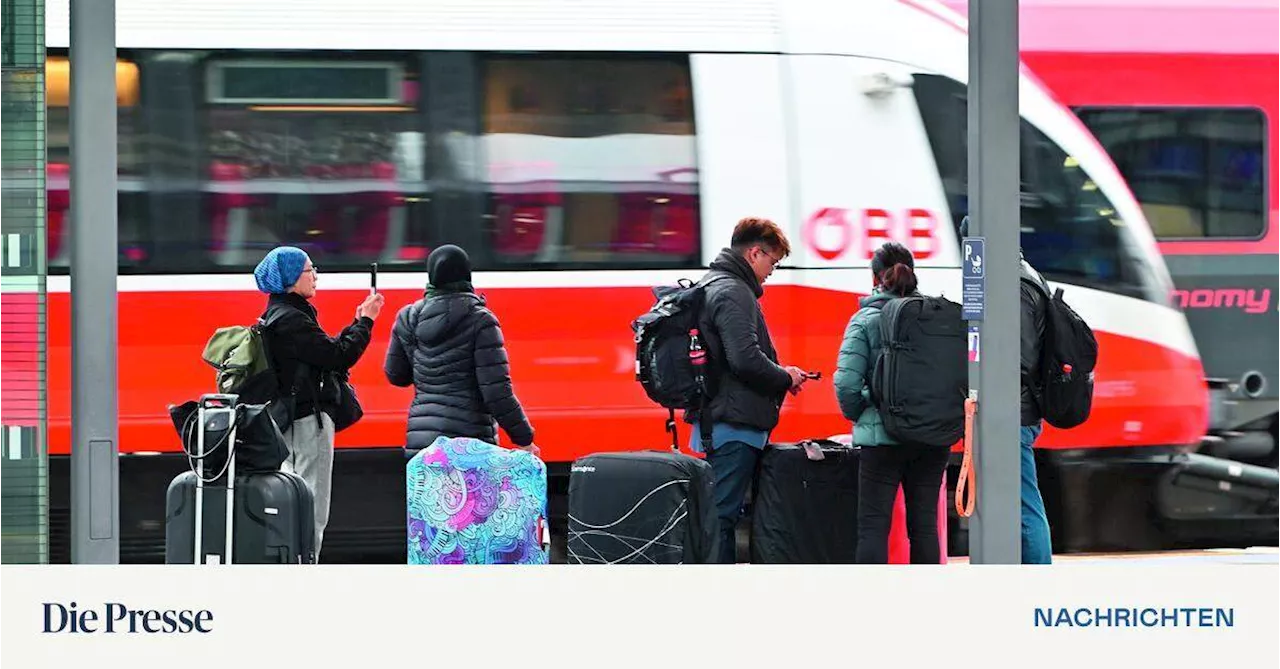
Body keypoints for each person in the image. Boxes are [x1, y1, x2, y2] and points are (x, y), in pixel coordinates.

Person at [687, 217, 810, 564]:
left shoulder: (714, 284)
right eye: (772, 261)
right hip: (734, 424)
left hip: (721, 417)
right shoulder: (733, 291)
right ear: (755, 253)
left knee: (719, 513)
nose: (772, 270)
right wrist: (785, 378)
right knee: (722, 517)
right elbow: (745, 359)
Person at [253, 246, 383, 560]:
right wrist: (366, 322)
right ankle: (305, 562)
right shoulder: (292, 320)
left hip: (291, 421)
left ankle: (292, 560)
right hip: (307, 424)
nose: (315, 276)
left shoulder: (280, 314)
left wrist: (356, 324)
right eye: (309, 270)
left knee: (292, 498)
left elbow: (325, 353)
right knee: (312, 501)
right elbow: (338, 355)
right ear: (290, 278)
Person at [833, 242, 949, 564]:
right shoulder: (935, 317)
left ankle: (875, 604)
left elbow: (846, 384)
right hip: (930, 438)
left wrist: (864, 413)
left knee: (873, 527)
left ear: (874, 278)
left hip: (882, 441)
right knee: (925, 529)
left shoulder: (865, 320)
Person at [383, 244, 536, 457]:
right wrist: (524, 438)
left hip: (424, 445)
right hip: (471, 444)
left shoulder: (408, 317)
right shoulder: (480, 320)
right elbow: (496, 391)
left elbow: (397, 376)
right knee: (470, 492)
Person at [1018, 249, 1054, 564]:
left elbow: (1021, 357)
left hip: (1015, 410)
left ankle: (1037, 575)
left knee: (1024, 503)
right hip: (1021, 407)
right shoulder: (1027, 276)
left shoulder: (1016, 285)